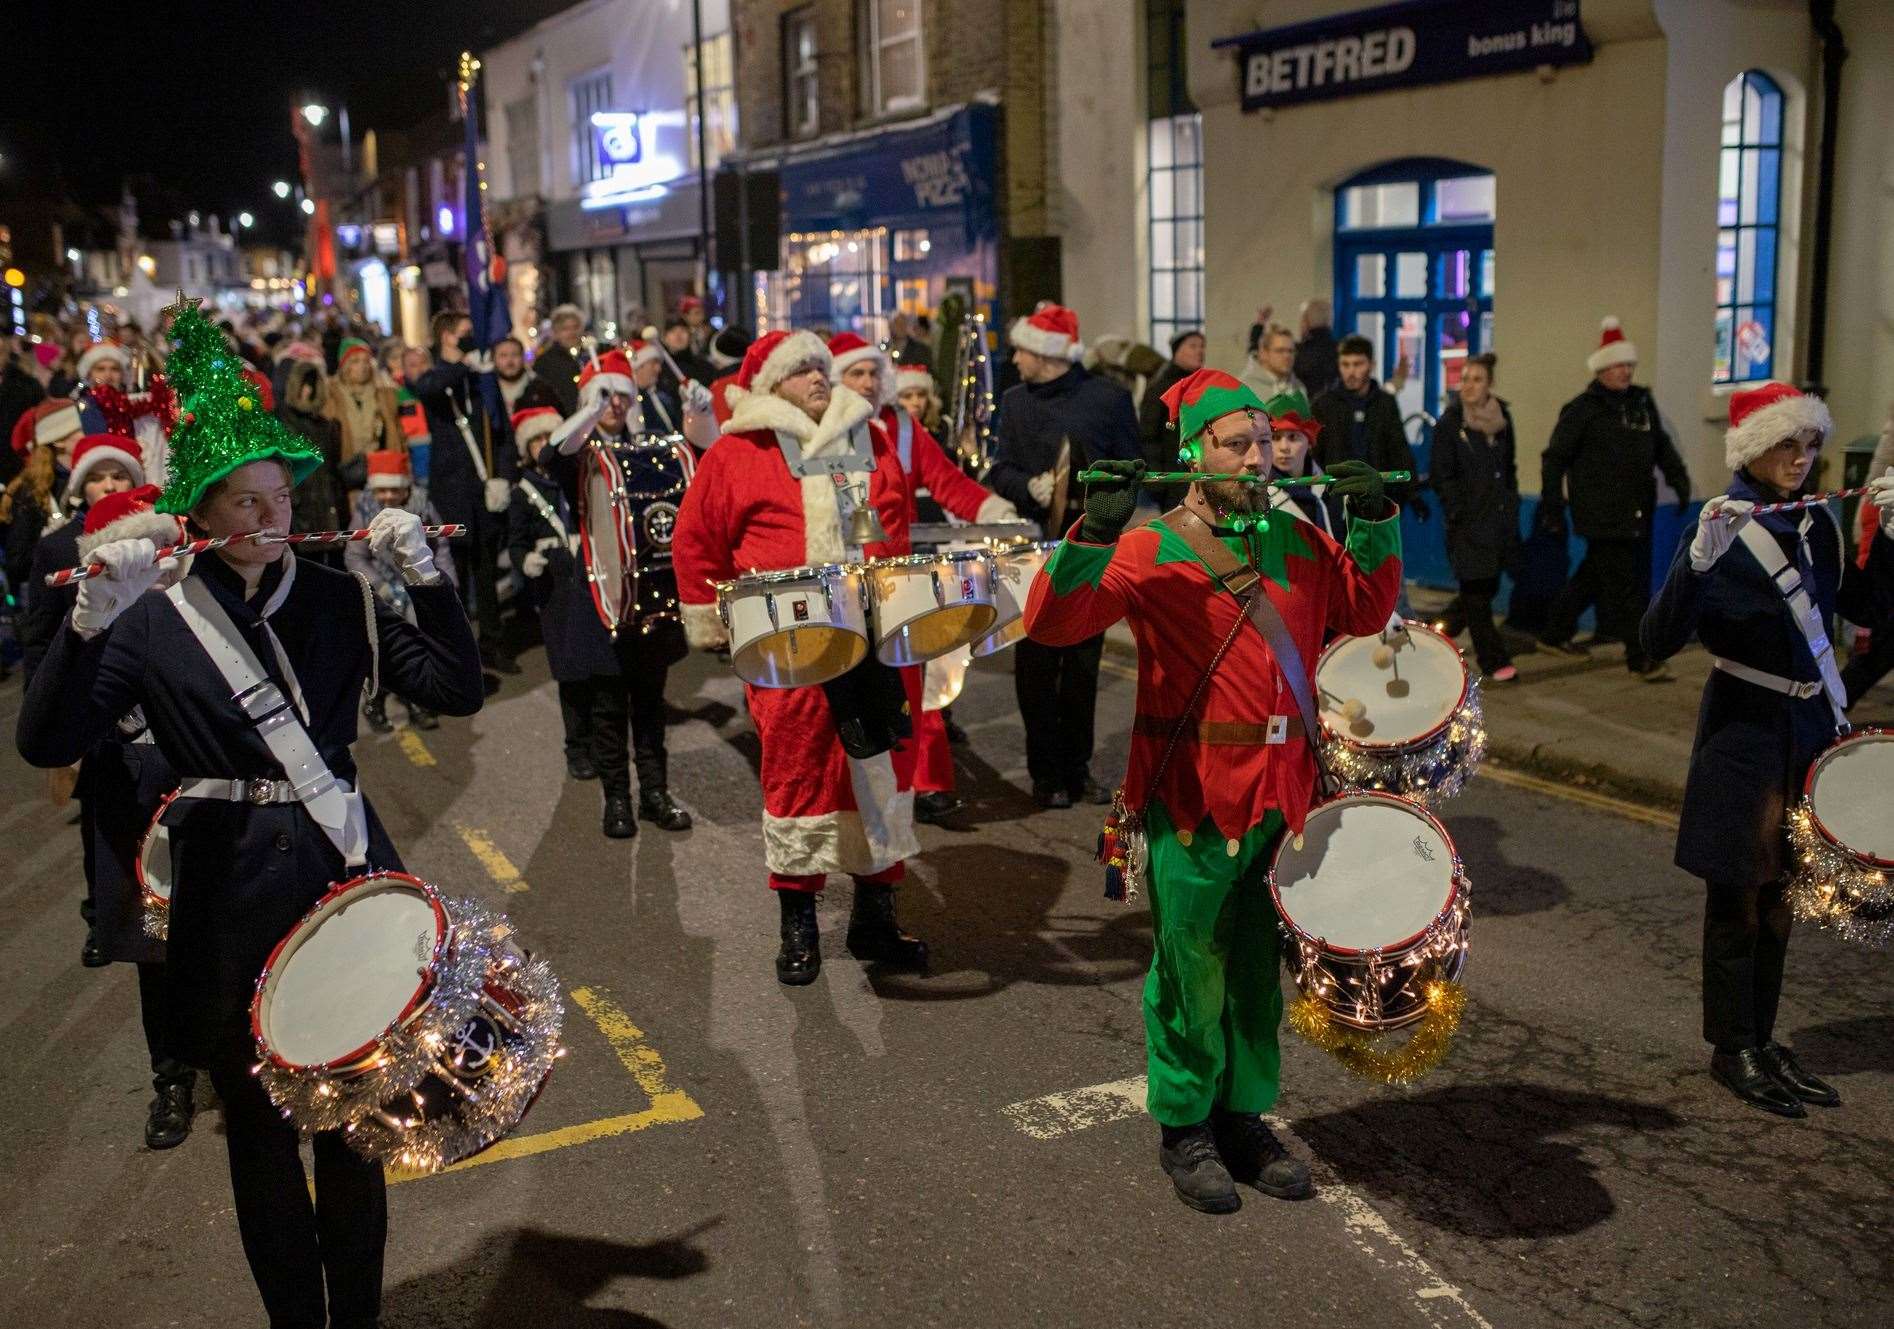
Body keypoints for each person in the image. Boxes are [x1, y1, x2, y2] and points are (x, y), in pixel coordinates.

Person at [15, 298, 484, 1329]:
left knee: (356, 1127)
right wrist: (86, 623)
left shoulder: (331, 596)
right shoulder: (152, 614)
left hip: (338, 879)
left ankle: (355, 1315)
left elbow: (456, 691)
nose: (267, 519)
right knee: (266, 1138)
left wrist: (426, 579)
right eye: (241, 502)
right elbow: (46, 742)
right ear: (201, 511)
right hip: (224, 898)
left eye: (277, 497)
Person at [1022, 367, 1402, 1212]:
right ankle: (1185, 1125)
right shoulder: (1155, 546)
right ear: (1195, 454)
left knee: (1261, 972)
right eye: (1239, 442)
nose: (1260, 457)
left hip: (1284, 793)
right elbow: (1052, 623)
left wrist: (1372, 519)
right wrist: (1091, 531)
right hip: (1191, 793)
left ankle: (1244, 1114)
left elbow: (1368, 609)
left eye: (1267, 441)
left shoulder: (1297, 537)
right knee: (1192, 965)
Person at [1641, 383, 1894, 1118]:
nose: (1802, 458)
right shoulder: (1720, 522)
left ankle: (1762, 1035)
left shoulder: (1819, 522)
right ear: (1754, 448)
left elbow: (1871, 611)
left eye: (1810, 445)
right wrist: (1695, 562)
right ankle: (1732, 1046)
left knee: (1784, 895)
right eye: (1789, 444)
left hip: (1806, 729)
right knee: (1738, 897)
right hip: (1743, 731)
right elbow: (1655, 642)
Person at [673, 330, 930, 985]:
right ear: (769, 385)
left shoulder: (865, 437)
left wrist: (884, 583)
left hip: (868, 634)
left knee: (876, 769)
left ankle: (874, 915)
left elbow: (891, 519)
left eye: (821, 367)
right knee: (794, 772)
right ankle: (799, 924)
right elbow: (697, 539)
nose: (818, 377)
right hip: (786, 645)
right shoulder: (736, 452)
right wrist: (712, 621)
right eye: (801, 370)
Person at [22, 482, 195, 1147]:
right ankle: (171, 1078)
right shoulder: (95, 628)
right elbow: (47, 728)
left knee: (227, 933)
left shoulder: (201, 606)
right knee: (155, 946)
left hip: (204, 792)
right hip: (132, 791)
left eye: (161, 551)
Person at [828, 332, 1018, 823]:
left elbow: (948, 483)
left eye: (873, 373)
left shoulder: (904, 428)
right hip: (841, 586)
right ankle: (853, 790)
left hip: (900, 581)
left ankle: (923, 784)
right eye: (857, 374)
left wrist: (995, 509)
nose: (868, 383)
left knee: (919, 684)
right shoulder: (822, 430)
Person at [985, 303, 1142, 807]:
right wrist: (1027, 486)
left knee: (1082, 665)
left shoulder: (1110, 399)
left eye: (1022, 351)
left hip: (1091, 547)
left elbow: (1133, 466)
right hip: (1032, 549)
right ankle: (1045, 773)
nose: (1015, 359)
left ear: (1046, 354)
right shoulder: (1015, 401)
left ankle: (1077, 768)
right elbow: (999, 468)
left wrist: (1109, 510)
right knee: (1034, 664)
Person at [538, 355, 696, 837]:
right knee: (608, 711)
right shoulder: (581, 453)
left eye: (624, 396)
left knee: (650, 706)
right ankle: (618, 800)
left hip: (649, 600)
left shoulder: (646, 450)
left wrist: (699, 416)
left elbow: (696, 461)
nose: (617, 405)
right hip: (601, 598)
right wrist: (591, 409)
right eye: (607, 396)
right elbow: (552, 454)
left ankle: (654, 793)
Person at [1537, 317, 1690, 679]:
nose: (1626, 371)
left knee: (1595, 575)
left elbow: (1661, 446)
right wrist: (1553, 504)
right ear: (1602, 368)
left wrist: (1678, 479)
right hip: (1600, 513)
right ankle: (1641, 657)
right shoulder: (1582, 410)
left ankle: (1555, 631)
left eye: (1629, 365)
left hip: (1637, 509)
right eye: (1619, 365)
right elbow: (1554, 459)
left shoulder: (1640, 403)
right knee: (1627, 587)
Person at [410, 310, 520, 673]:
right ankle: (459, 649)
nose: (471, 338)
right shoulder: (440, 375)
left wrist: (502, 476)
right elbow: (426, 387)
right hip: (452, 493)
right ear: (446, 337)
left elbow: (500, 430)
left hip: (483, 490)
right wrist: (465, 364)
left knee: (487, 574)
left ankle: (493, 642)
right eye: (464, 333)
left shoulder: (481, 379)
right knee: (454, 575)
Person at [507, 406, 598, 782]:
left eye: (549, 438)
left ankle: (602, 740)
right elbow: (515, 542)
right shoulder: (523, 492)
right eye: (537, 441)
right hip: (555, 588)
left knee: (598, 668)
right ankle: (577, 747)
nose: (544, 446)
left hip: (586, 580)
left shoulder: (574, 479)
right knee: (570, 669)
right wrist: (525, 559)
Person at [346, 450, 458, 733]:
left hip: (417, 588)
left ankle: (418, 702)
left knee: (419, 650)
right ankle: (375, 701)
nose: (387, 496)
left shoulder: (422, 507)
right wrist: (381, 587)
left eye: (394, 489)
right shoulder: (366, 511)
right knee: (385, 654)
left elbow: (440, 547)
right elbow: (354, 556)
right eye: (381, 489)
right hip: (383, 591)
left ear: (405, 487)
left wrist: (446, 585)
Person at [1430, 353, 1522, 682]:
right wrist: (1456, 510)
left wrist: (1510, 506)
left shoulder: (1502, 419)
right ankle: (1494, 660)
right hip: (1467, 522)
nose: (1468, 386)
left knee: (1483, 588)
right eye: (1465, 378)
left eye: (1477, 379)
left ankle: (1443, 627)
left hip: (1496, 521)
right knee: (1476, 591)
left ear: (1490, 384)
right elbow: (1443, 474)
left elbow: (1508, 469)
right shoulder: (1451, 424)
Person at [1311, 335, 1417, 512]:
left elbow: (1398, 449)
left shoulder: (1384, 404)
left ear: (1371, 365)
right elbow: (1315, 452)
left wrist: (1412, 493)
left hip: (1378, 497)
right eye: (1345, 364)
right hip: (1337, 500)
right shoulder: (1324, 405)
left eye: (1358, 364)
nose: (1351, 371)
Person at [275, 358, 348, 569]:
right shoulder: (280, 423)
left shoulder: (326, 426)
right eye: (303, 385)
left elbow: (333, 471)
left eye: (312, 385)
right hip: (299, 513)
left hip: (328, 509)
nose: (307, 391)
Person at [3, 399, 82, 591]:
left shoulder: (88, 480)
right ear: (59, 440)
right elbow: (17, 563)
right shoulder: (30, 491)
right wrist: (53, 546)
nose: (88, 435)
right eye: (80, 431)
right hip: (45, 593)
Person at [1259, 391, 1342, 541]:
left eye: (1293, 437)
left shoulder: (1332, 491)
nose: (1284, 447)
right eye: (1275, 438)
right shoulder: (1257, 495)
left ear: (1309, 442)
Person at [322, 337, 404, 486]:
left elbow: (396, 432)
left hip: (379, 470)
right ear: (345, 365)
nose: (363, 366)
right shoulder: (330, 395)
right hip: (345, 471)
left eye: (366, 361)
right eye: (355, 361)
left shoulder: (384, 394)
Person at [1139, 330, 1206, 504]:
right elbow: (1149, 435)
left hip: (1199, 472)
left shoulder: (1202, 386)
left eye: (1202, 346)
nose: (1199, 351)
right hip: (1172, 477)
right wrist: (1157, 480)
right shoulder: (1161, 387)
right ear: (1177, 351)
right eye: (1192, 346)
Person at [534, 304, 588, 415]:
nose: (572, 333)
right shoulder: (545, 362)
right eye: (565, 329)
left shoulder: (589, 355)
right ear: (556, 332)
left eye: (575, 327)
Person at [1240, 324, 1304, 404]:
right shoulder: (1246, 389)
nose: (1287, 356)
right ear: (1264, 354)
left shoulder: (1299, 388)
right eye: (1280, 351)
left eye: (1291, 351)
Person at [1292, 299, 1340, 400]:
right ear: (1330, 321)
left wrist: (1259, 326)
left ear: (1306, 322)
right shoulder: (1343, 352)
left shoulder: (1295, 354)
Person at [895, 363, 943, 436]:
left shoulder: (939, 433)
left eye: (921, 395)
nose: (916, 403)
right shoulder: (885, 435)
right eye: (907, 396)